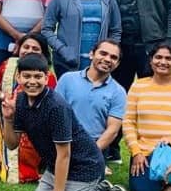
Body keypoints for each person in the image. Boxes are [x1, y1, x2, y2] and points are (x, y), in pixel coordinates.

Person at [1, 54, 135, 191]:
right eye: (27, 76)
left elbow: (64, 155)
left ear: (47, 77)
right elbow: (11, 145)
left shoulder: (56, 106)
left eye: (38, 76)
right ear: (18, 77)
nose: (32, 81)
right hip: (55, 167)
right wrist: (8, 119)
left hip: (84, 167)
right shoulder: (20, 101)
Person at [124, 43, 171, 191]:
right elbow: (128, 122)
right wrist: (136, 152)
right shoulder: (139, 86)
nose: (163, 62)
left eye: (168, 58)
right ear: (151, 60)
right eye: (158, 57)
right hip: (146, 150)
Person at [42, 0, 122, 77]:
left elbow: (116, 30)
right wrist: (62, 49)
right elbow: (46, 29)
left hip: (99, 66)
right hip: (67, 64)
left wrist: (108, 52)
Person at [0, 32, 57, 183]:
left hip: (32, 118)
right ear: (19, 48)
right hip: (3, 116)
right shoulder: (7, 65)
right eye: (26, 47)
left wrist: (2, 96)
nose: (29, 51)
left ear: (43, 53)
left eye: (35, 49)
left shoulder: (48, 75)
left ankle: (26, 170)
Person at [54, 41, 127, 171]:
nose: (107, 59)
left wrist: (90, 153)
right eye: (103, 53)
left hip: (96, 147)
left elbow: (113, 130)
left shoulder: (119, 92)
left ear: (117, 64)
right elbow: (55, 115)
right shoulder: (67, 79)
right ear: (91, 54)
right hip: (63, 142)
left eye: (113, 57)